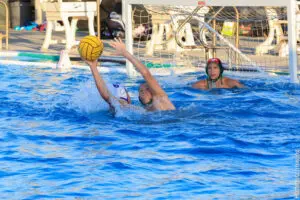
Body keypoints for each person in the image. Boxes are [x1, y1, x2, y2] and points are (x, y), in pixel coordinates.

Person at [84, 38, 175, 112]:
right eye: (141, 90)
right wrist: (93, 67)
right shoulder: (139, 111)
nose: (145, 90)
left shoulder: (161, 99)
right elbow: (107, 97)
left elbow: (146, 74)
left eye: (148, 88)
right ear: (138, 97)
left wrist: (125, 53)